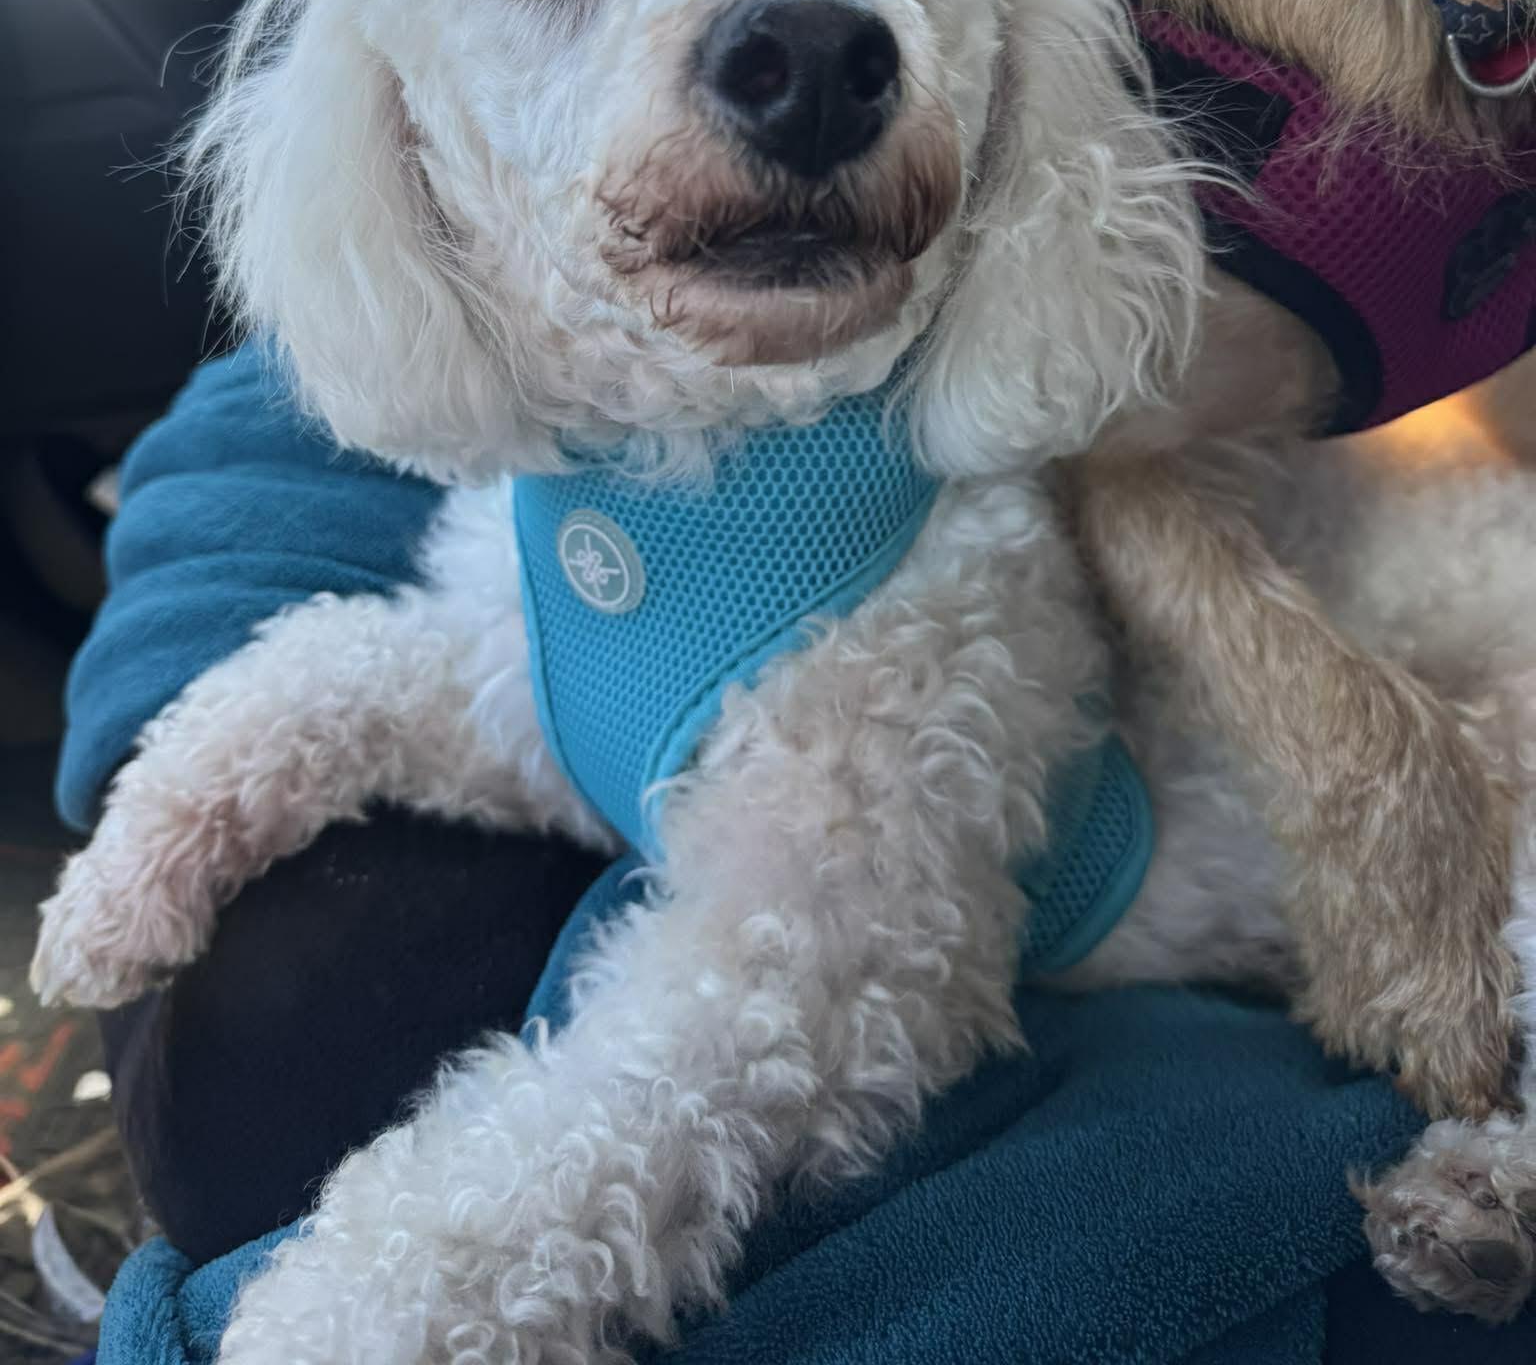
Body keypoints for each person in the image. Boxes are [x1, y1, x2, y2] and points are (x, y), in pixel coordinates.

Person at [59, 343, 1530, 1364]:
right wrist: (206, 788)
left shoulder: (927, 522)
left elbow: (814, 1009)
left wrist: (399, 1309)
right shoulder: (549, 507)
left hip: (1430, 719)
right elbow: (504, 703)